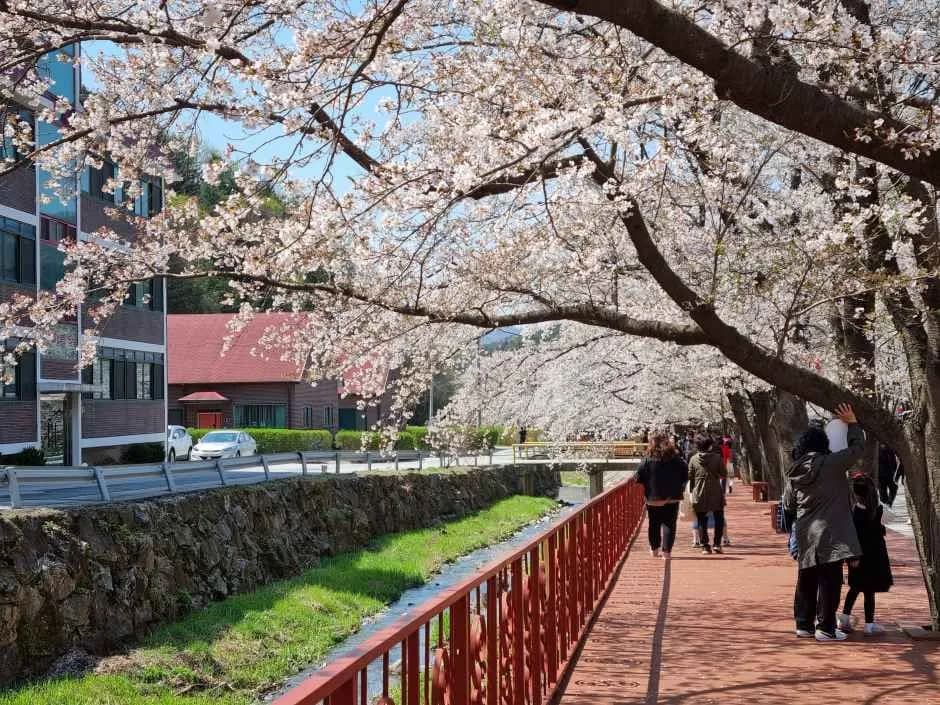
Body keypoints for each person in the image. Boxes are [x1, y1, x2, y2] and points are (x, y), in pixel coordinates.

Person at [783, 403, 864, 642]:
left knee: (806, 577)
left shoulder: (794, 471)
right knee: (830, 578)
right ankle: (826, 628)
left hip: (806, 531)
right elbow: (857, 449)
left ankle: (803, 624)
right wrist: (852, 423)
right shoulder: (832, 463)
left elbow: (788, 504)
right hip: (831, 531)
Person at [838, 473, 893, 636]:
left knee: (854, 588)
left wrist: (851, 557)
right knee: (869, 591)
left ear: (855, 493)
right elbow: (891, 518)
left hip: (858, 556)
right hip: (875, 557)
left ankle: (844, 618)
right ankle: (869, 625)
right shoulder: (879, 510)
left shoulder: (854, 512)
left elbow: (849, 536)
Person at [636, 432, 689, 559]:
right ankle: (667, 552)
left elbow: (638, 477)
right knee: (669, 524)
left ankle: (654, 550)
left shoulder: (647, 459)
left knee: (654, 524)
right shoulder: (675, 458)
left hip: (653, 497)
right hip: (672, 497)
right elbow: (685, 474)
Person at [688, 435, 727, 554]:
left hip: (699, 491)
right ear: (710, 446)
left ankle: (705, 546)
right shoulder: (717, 458)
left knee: (701, 520)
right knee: (719, 517)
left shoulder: (693, 459)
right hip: (715, 491)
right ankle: (717, 544)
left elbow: (690, 476)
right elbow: (724, 473)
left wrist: (691, 491)